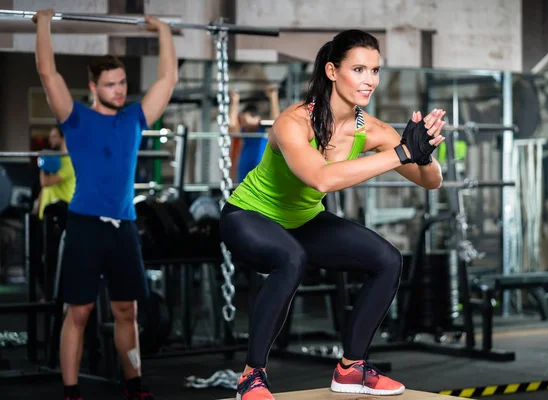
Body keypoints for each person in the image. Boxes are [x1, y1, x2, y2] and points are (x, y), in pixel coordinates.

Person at [220, 29, 446, 399]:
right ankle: (251, 375)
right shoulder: (294, 122)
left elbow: (431, 181)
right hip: (248, 216)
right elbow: (321, 178)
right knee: (291, 258)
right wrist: (401, 153)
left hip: (304, 220)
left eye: (374, 71)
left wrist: (422, 152)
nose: (369, 80)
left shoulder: (370, 129)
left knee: (386, 259)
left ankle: (351, 368)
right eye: (358, 69)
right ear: (331, 71)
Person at [33, 8, 178, 400]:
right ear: (94, 86)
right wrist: (43, 24)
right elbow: (49, 74)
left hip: (124, 227)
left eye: (123, 82)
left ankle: (134, 385)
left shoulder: (134, 118)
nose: (119, 89)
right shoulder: (74, 117)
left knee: (126, 311)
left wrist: (163, 31)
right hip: (84, 225)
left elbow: (168, 79)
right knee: (77, 313)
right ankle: (71, 390)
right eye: (111, 84)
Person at [229, 84, 281, 182]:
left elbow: (275, 122)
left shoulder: (264, 131)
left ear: (258, 118)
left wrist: (273, 97)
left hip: (262, 176)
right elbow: (232, 127)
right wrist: (234, 102)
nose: (246, 121)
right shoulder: (243, 133)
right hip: (244, 177)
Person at [34, 126, 75, 219]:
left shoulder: (69, 162)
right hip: (46, 212)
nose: (50, 140)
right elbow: (44, 188)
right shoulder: (55, 160)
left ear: (63, 138)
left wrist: (43, 163)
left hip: (60, 214)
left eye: (54, 136)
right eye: (50, 137)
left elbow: (45, 182)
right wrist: (37, 207)